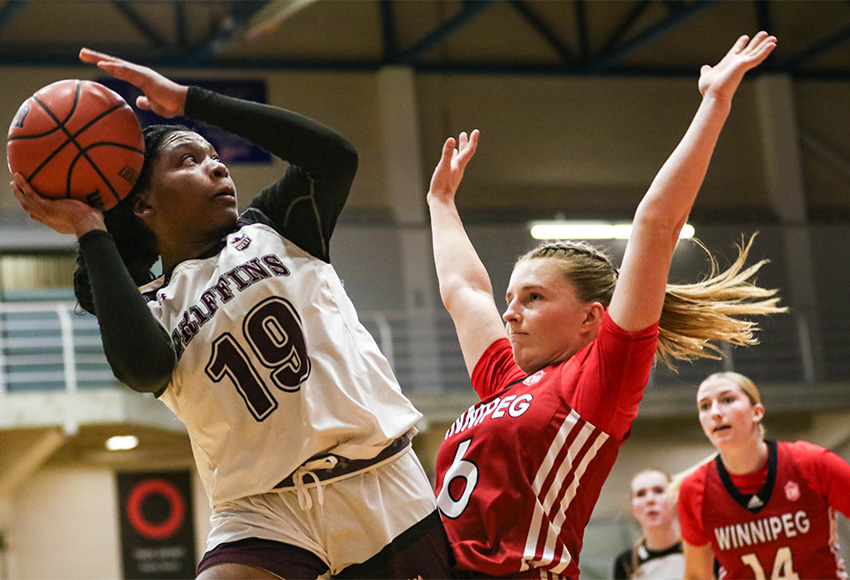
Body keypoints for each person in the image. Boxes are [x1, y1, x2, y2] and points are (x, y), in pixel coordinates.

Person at [11, 48, 454, 579]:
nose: (216, 164)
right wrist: (89, 227)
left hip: (380, 479)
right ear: (144, 206)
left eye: (212, 154)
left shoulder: (275, 228)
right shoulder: (154, 305)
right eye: (188, 160)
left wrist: (193, 103)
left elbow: (335, 156)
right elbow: (144, 368)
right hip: (261, 513)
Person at [426, 31, 782, 579]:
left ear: (593, 318)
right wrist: (441, 202)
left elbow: (656, 225)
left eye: (535, 297)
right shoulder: (503, 379)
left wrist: (715, 102)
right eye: (512, 299)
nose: (510, 312)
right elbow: (463, 292)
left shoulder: (598, 381)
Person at [677, 372, 850, 580]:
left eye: (727, 400)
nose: (715, 412)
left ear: (757, 412)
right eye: (704, 406)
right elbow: (697, 576)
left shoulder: (811, 462)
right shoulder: (694, 489)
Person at [613, 470, 684, 580]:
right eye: (641, 494)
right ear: (633, 508)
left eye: (658, 491)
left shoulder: (700, 550)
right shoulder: (625, 563)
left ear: (675, 499)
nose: (650, 500)